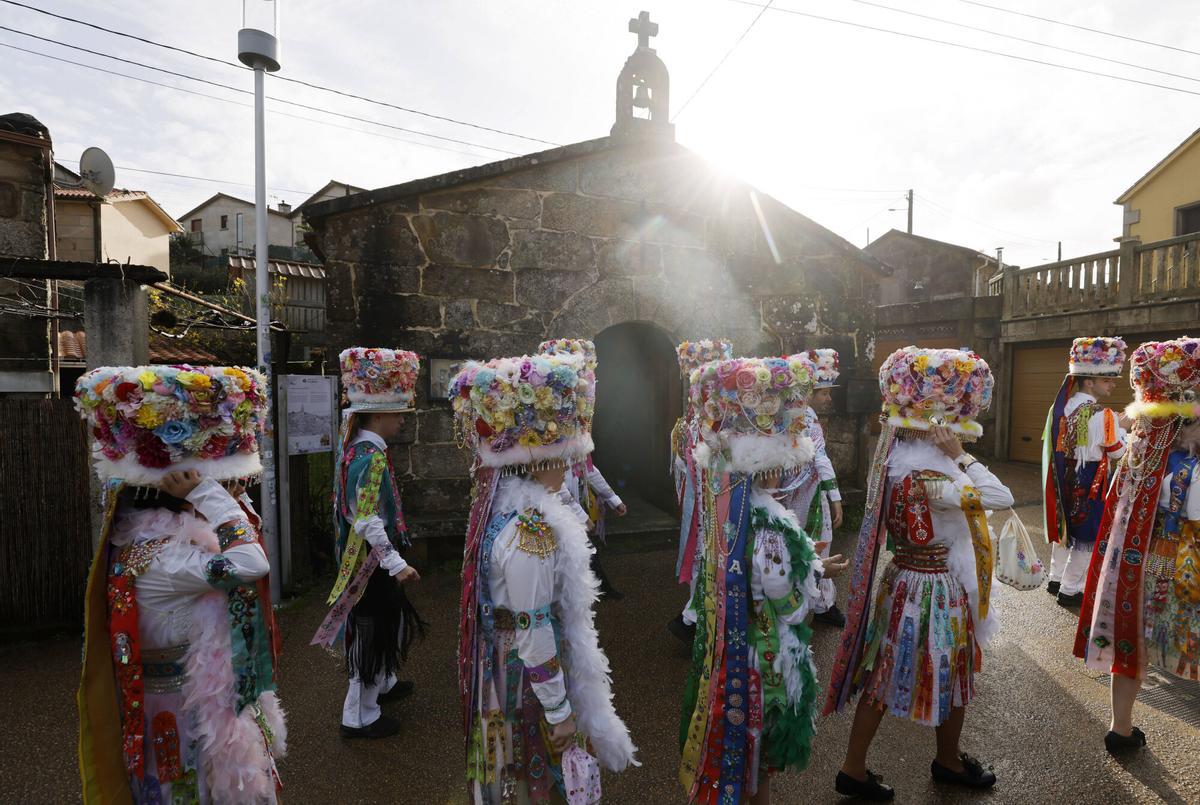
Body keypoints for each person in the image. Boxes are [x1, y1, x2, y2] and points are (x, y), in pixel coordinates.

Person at [75, 364, 286, 803]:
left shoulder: (160, 540)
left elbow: (244, 530)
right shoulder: (166, 559)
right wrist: (208, 493)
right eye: (217, 483)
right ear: (184, 492)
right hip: (179, 710)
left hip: (191, 697)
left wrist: (213, 495)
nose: (230, 490)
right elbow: (251, 562)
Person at [825, 347, 1013, 801]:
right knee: (946, 671)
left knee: (886, 672)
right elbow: (1001, 497)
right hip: (934, 586)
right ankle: (941, 761)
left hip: (902, 578)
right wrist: (962, 456)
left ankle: (861, 766)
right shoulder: (936, 479)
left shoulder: (897, 464)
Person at [452, 352, 638, 803]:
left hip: (507, 663)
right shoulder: (531, 533)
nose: (569, 468)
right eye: (563, 458)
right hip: (525, 679)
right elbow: (533, 626)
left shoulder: (500, 512)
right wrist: (558, 711)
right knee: (537, 782)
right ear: (536, 462)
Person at [678, 355, 847, 804]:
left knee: (737, 759)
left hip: (728, 642)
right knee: (758, 763)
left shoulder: (726, 512)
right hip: (761, 653)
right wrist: (808, 583)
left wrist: (814, 566)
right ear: (769, 467)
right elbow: (787, 602)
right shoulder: (771, 526)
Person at [1075, 337, 1200, 754]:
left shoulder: (1139, 454)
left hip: (1135, 564)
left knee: (1130, 640)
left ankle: (1121, 727)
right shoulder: (1191, 468)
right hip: (1183, 566)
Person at [311, 348, 425, 739]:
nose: (401, 422)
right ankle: (359, 716)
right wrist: (395, 563)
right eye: (398, 414)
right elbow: (365, 518)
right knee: (370, 633)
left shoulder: (358, 448)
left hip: (369, 558)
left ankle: (384, 683)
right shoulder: (369, 457)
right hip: (369, 561)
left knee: (383, 625)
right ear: (378, 416)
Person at [540, 338, 628, 598]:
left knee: (583, 551)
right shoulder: (547, 433)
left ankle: (592, 591)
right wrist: (580, 515)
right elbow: (554, 484)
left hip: (573, 504)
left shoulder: (576, 430)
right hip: (553, 507)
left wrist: (612, 499)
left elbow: (587, 469)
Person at [1043, 337, 1128, 607]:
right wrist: (1123, 429)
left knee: (1065, 524)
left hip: (1063, 474)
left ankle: (1056, 578)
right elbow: (1118, 453)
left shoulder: (1060, 408)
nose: (1112, 385)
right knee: (1087, 536)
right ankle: (1070, 590)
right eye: (1107, 380)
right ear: (1089, 382)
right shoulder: (1104, 415)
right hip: (1090, 477)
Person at [668, 339, 733, 644]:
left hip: (721, 501)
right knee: (700, 557)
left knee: (715, 557)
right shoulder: (691, 422)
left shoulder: (727, 421)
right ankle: (696, 616)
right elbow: (683, 463)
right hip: (700, 504)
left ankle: (700, 617)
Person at [779, 348, 846, 628]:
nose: (828, 398)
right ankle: (816, 605)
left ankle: (817, 603)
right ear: (808, 393)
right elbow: (820, 456)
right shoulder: (803, 415)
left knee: (799, 544)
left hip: (791, 492)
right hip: (800, 492)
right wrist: (835, 497)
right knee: (816, 543)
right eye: (824, 393)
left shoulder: (789, 412)